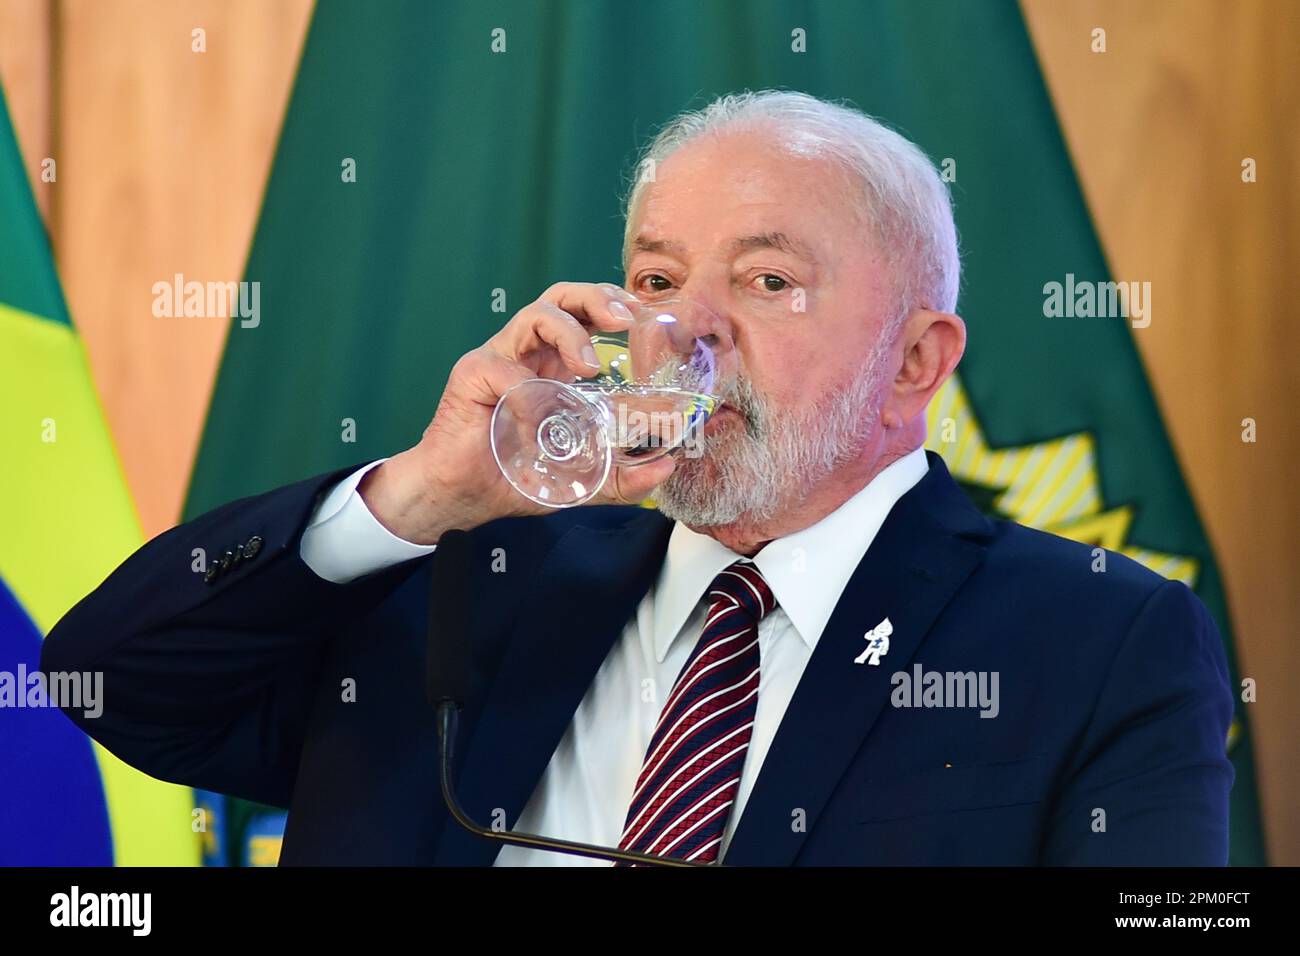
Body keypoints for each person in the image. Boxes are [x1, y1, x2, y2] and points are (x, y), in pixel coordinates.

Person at [42, 90, 1233, 865]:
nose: (685, 334)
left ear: (914, 359)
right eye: (656, 282)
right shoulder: (473, 567)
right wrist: (418, 497)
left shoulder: (1100, 638)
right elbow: (106, 680)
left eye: (768, 282)